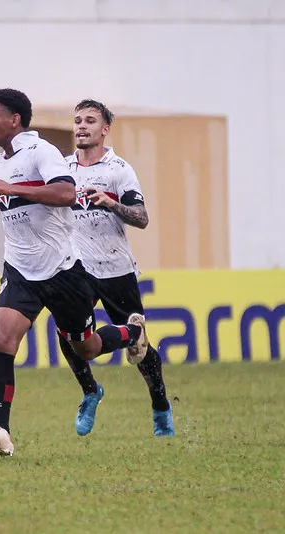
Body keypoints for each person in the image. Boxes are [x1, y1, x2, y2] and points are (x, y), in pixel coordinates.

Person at [0, 88, 151, 457]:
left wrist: (11, 187)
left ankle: (132, 332)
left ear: (14, 119)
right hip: (19, 268)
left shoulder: (42, 152)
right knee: (4, 338)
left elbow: (66, 193)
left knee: (88, 347)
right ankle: (0, 429)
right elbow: (3, 201)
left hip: (63, 271)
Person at [58, 99, 174, 437]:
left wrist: (111, 203)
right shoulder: (63, 169)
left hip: (114, 268)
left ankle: (160, 405)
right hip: (76, 269)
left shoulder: (118, 169)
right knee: (68, 332)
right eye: (77, 120)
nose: (81, 126)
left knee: (141, 349)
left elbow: (142, 218)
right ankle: (90, 391)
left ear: (105, 129)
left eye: (90, 120)